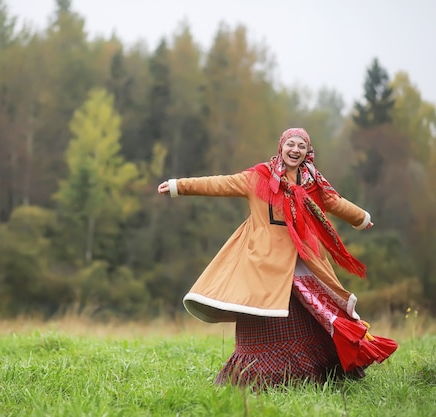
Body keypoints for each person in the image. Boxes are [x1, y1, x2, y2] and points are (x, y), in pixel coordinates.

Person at [157, 127, 397, 390]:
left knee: (319, 315)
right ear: (281, 147)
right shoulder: (258, 178)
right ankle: (262, 378)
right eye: (290, 144)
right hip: (264, 264)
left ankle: (318, 374)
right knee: (267, 317)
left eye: (301, 146)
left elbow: (335, 202)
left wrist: (362, 218)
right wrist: (178, 186)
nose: (295, 150)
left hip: (304, 262)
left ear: (308, 152)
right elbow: (220, 183)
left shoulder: (312, 183)